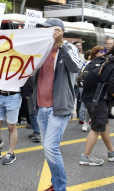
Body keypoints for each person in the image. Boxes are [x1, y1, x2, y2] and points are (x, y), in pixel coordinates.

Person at [32, 18, 82, 191]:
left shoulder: (69, 48)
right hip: (41, 107)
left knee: (51, 148)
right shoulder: (42, 50)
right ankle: (56, 184)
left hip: (58, 108)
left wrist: (61, 44)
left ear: (59, 30)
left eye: (48, 29)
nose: (44, 32)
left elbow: (77, 67)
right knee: (48, 150)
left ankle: (60, 187)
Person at [79, 44, 114, 166]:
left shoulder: (103, 60)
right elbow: (112, 88)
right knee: (96, 128)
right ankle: (85, 157)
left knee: (103, 124)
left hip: (88, 97)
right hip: (97, 100)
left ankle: (111, 151)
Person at [81, 46, 105, 132]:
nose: (103, 52)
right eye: (100, 51)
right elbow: (83, 75)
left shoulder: (105, 62)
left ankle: (92, 123)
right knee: (90, 109)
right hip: (90, 91)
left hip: (100, 91)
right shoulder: (90, 63)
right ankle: (86, 122)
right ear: (95, 53)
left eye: (103, 51)